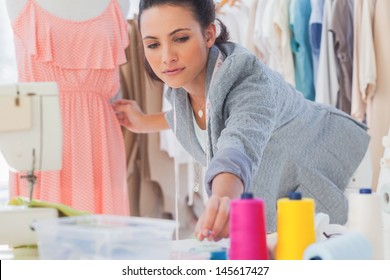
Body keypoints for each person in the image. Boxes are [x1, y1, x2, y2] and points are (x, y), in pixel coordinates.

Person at [112, 0, 370, 240]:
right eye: (153, 44)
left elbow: (239, 140)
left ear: (208, 34)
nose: (167, 56)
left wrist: (224, 198)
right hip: (284, 192)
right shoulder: (183, 85)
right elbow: (201, 118)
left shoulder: (249, 80)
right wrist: (144, 122)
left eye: (180, 38)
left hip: (340, 169)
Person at [6, 0, 131, 215]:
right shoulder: (21, 4)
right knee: (41, 232)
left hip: (97, 138)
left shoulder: (118, 4)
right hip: (40, 136)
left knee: (99, 235)